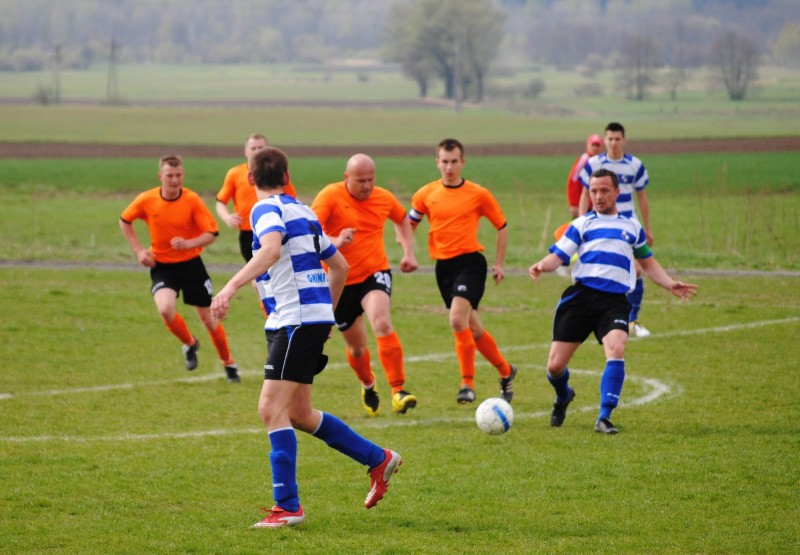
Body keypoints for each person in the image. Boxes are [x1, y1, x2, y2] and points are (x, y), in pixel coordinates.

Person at [210, 147, 402, 529]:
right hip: (303, 319)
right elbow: (340, 266)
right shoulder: (303, 211)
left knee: (270, 409)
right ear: (287, 176)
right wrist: (325, 312)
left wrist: (229, 287)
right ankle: (378, 459)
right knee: (299, 413)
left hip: (295, 321)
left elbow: (270, 251)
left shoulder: (264, 210)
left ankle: (288, 506)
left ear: (250, 178)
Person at [529, 168, 698, 434]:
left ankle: (604, 417)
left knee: (617, 348)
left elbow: (648, 264)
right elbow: (559, 255)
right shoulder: (582, 224)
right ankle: (563, 396)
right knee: (555, 366)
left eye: (604, 190)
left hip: (614, 302)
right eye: (594, 191)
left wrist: (669, 283)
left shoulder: (632, 228)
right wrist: (541, 265)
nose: (598, 196)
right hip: (581, 298)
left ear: (617, 192)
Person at [409, 138, 517, 405]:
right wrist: (408, 253)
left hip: (471, 264)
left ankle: (467, 384)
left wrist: (499, 263)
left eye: (454, 162)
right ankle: (506, 371)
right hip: (443, 268)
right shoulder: (425, 194)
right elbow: (408, 224)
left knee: (457, 319)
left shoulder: (478, 194)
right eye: (444, 162)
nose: (449, 167)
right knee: (473, 328)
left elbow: (502, 226)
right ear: (437, 162)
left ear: (462, 162)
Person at [311, 154, 419, 416]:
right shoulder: (329, 196)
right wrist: (336, 241)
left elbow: (402, 219)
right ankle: (368, 384)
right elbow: (310, 233)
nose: (367, 186)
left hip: (374, 272)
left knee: (381, 322)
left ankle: (398, 390)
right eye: (361, 181)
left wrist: (408, 252)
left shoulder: (384, 198)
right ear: (346, 177)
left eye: (371, 179)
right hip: (338, 282)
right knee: (357, 348)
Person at [119, 155, 240, 383]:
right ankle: (190, 343)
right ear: (160, 176)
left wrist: (188, 243)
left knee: (209, 319)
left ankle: (229, 363)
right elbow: (125, 220)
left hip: (192, 266)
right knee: (165, 309)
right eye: (170, 176)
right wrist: (139, 250)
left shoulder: (192, 200)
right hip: (162, 266)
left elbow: (211, 234)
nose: (174, 180)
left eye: (178, 175)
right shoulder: (146, 199)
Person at [578, 122, 653, 338]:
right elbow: (584, 194)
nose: (613, 143)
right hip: (600, 226)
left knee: (636, 270)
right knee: (599, 270)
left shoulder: (634, 165)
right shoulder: (594, 163)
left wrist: (648, 228)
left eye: (617, 139)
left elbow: (642, 198)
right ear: (605, 140)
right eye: (609, 139)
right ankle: (598, 317)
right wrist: (582, 223)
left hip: (629, 226)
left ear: (624, 140)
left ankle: (633, 320)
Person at [216, 133, 297, 263]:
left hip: (274, 227)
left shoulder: (275, 172)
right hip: (248, 232)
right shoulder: (235, 173)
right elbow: (220, 202)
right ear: (246, 151)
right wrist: (227, 217)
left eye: (261, 148)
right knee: (256, 272)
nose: (257, 151)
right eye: (253, 148)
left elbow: (291, 199)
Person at [566, 134, 603, 218]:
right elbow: (573, 181)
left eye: (597, 145)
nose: (595, 148)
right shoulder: (584, 160)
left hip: (594, 204)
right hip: (583, 204)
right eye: (593, 145)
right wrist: (574, 204)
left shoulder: (600, 161)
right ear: (587, 145)